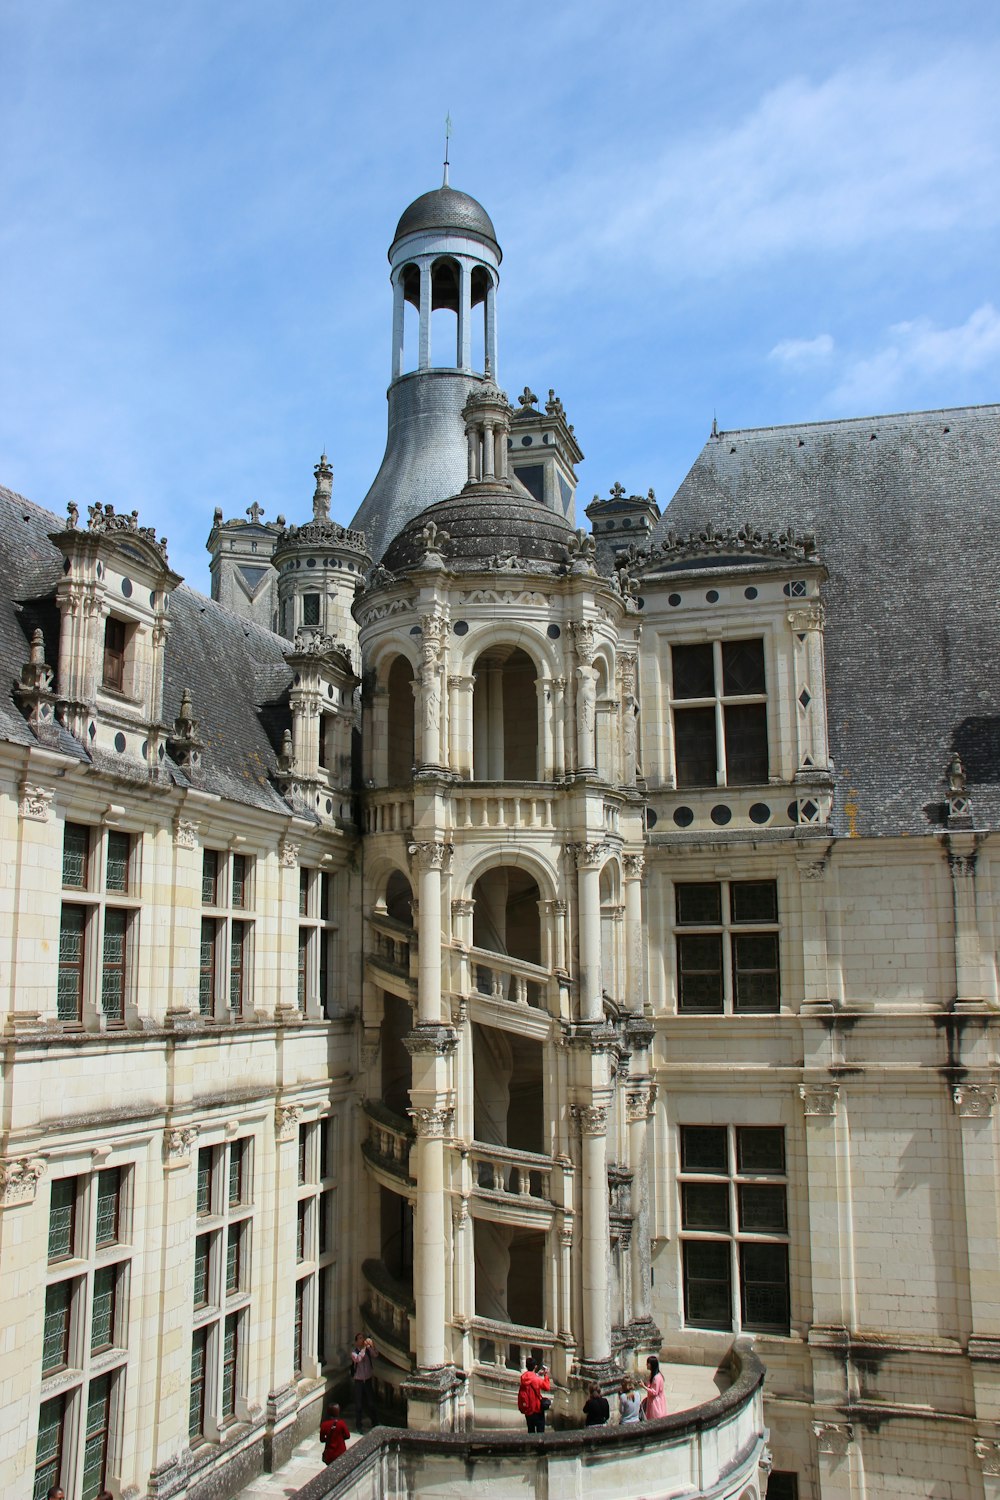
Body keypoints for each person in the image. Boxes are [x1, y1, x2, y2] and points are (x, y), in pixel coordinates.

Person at [350, 1331, 379, 1430]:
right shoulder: (354, 1352)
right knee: (358, 1404)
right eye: (360, 1338)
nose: (362, 1340)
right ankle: (359, 1425)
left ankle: (374, 1422)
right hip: (358, 1380)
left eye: (363, 1338)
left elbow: (375, 1355)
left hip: (367, 1380)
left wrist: (371, 1346)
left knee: (371, 1402)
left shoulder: (367, 1350)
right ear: (356, 1341)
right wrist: (363, 1349)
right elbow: (358, 1359)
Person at [517, 1355, 551, 1434]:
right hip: (537, 1408)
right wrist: (546, 1375)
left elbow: (531, 1380)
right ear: (535, 1367)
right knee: (540, 1431)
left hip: (527, 1409)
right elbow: (547, 1387)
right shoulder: (536, 1379)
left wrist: (538, 1375)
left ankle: (531, 1444)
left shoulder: (523, 1377)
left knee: (530, 1430)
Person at [643, 1354, 667, 1420]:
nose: (646, 1365)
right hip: (653, 1401)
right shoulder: (653, 1375)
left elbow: (654, 1392)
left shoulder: (656, 1378)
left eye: (648, 1363)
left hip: (656, 1403)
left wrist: (643, 1387)